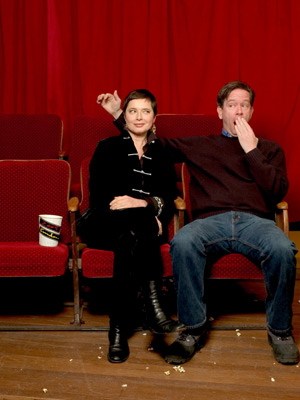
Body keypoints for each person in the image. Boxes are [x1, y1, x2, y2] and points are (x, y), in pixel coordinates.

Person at [101, 81, 299, 366]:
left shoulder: (269, 150)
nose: (239, 111)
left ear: (252, 111)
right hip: (210, 222)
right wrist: (120, 113)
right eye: (232, 105)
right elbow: (153, 145)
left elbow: (277, 191)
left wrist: (250, 150)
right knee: (183, 241)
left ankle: (280, 333)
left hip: (255, 223)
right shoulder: (202, 144)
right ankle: (191, 330)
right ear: (220, 111)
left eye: (244, 105)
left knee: (282, 248)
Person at [87, 89, 184, 364]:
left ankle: (117, 330)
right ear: (124, 118)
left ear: (155, 118)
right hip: (103, 222)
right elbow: (102, 198)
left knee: (131, 236)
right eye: (132, 111)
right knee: (138, 225)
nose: (139, 117)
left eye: (145, 111)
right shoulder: (107, 147)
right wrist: (145, 208)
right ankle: (155, 310)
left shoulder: (162, 154)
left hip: (134, 231)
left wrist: (143, 205)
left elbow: (167, 195)